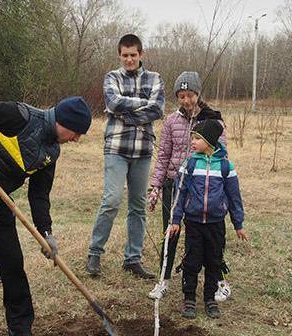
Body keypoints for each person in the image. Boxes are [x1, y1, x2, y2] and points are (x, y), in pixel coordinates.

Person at [0, 96, 92, 336]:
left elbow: (39, 195)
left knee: (13, 265)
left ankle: (21, 327)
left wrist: (47, 233)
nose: (76, 139)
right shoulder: (21, 116)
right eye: (76, 133)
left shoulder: (51, 153)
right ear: (63, 122)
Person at [86, 33, 165, 279]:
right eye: (125, 55)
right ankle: (94, 253)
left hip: (142, 151)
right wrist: (142, 105)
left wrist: (127, 114)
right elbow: (112, 103)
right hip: (116, 148)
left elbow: (158, 109)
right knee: (112, 200)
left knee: (138, 206)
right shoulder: (112, 77)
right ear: (119, 56)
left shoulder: (155, 78)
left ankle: (132, 260)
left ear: (141, 54)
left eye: (133, 55)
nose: (129, 59)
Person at [146, 71, 227, 299]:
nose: (186, 101)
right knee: (170, 232)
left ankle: (219, 281)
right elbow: (163, 156)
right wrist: (156, 187)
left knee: (210, 236)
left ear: (197, 94)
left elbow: (222, 154)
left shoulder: (212, 121)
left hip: (202, 188)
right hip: (174, 185)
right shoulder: (172, 121)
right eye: (181, 96)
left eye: (190, 95)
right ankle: (164, 279)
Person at [169, 119, 248, 319]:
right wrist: (175, 219)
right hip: (194, 223)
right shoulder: (190, 163)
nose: (192, 142)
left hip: (216, 224)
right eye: (192, 138)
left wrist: (238, 224)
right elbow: (180, 194)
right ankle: (189, 299)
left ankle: (210, 298)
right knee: (192, 261)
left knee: (214, 261)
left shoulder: (225, 166)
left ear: (210, 141)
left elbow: (234, 196)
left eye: (197, 138)